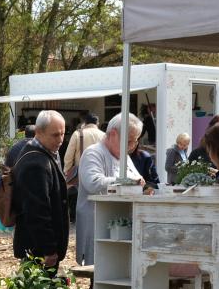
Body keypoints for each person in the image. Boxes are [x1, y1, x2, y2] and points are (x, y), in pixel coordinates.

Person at [76, 113, 145, 265]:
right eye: (129, 141)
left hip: (120, 226)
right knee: (98, 270)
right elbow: (93, 183)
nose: (133, 146)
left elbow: (136, 179)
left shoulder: (124, 156)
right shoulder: (93, 153)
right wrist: (127, 181)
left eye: (135, 141)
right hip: (97, 227)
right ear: (113, 134)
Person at [12, 111, 68, 265]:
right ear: (39, 132)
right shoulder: (35, 163)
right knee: (37, 281)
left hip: (38, 248)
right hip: (37, 250)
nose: (60, 140)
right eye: (55, 135)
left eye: (63, 134)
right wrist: (48, 249)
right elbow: (36, 211)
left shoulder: (44, 153)